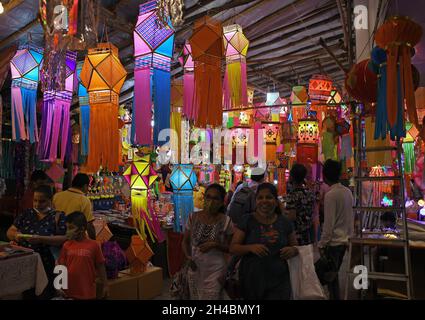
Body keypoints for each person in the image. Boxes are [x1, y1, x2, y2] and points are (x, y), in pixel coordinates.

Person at [230, 183, 298, 300]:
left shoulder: (284, 222)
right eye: (260, 198)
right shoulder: (247, 220)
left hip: (279, 281)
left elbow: (296, 247)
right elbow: (233, 248)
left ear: (276, 201)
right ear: (256, 201)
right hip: (251, 280)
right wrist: (250, 248)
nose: (264, 201)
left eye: (269, 197)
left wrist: (292, 250)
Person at [7, 185, 67, 298]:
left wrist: (40, 239)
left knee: (44, 293)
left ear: (50, 200)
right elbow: (10, 231)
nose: (37, 204)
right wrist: (16, 236)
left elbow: (63, 239)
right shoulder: (27, 213)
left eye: (42, 201)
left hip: (47, 265)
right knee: (27, 293)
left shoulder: (58, 216)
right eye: (35, 200)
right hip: (26, 264)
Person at [182, 184, 234, 299]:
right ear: (204, 198)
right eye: (208, 197)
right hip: (196, 268)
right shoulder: (193, 217)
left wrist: (215, 245)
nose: (211, 201)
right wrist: (188, 257)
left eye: (216, 198)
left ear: (221, 202)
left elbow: (230, 248)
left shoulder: (226, 221)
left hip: (216, 270)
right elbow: (185, 242)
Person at [318, 159, 354, 300]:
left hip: (334, 243)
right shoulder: (347, 192)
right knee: (333, 277)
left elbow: (329, 224)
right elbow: (350, 217)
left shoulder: (331, 195)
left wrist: (322, 244)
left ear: (325, 176)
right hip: (344, 241)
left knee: (330, 278)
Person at [58, 211, 108, 300]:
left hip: (87, 292)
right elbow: (62, 267)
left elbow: (101, 266)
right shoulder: (66, 245)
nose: (68, 231)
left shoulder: (94, 245)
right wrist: (58, 284)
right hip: (69, 291)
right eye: (67, 228)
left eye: (71, 228)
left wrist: (105, 285)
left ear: (82, 229)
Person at [53, 173, 96, 239]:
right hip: (72, 237)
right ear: (85, 186)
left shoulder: (57, 196)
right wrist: (94, 240)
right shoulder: (84, 200)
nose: (88, 189)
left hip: (55, 235)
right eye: (88, 186)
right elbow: (88, 224)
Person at [285, 164, 316, 245]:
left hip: (297, 235)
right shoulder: (310, 194)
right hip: (309, 233)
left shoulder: (291, 196)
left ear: (291, 176)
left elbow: (292, 216)